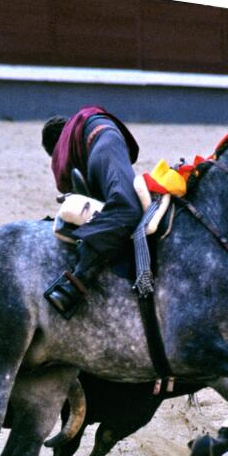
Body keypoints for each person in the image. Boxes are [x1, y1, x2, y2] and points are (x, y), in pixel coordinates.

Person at [42, 106, 144, 319]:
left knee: (128, 209)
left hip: (105, 144)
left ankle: (78, 276)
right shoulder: (79, 131)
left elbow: (67, 183)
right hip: (107, 142)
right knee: (122, 208)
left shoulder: (66, 145)